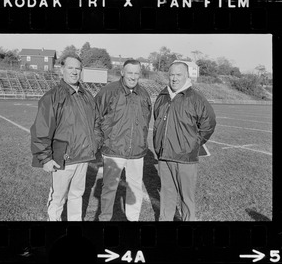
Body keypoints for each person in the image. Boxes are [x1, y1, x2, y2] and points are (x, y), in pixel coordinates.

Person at [30, 53, 100, 221]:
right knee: (58, 198)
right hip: (63, 159)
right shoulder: (52, 96)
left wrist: (95, 144)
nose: (74, 72)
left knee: (77, 196)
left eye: (78, 68)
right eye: (70, 67)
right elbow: (41, 129)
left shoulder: (87, 96)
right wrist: (45, 159)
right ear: (62, 70)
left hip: (83, 158)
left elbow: (96, 124)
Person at [153, 60, 216, 221]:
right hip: (165, 156)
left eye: (178, 75)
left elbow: (209, 123)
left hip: (185, 159)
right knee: (167, 196)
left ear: (187, 76)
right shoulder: (163, 96)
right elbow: (158, 121)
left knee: (186, 199)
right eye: (171, 75)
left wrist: (193, 144)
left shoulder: (196, 98)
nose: (174, 78)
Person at [95, 59, 152, 221]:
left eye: (136, 73)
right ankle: (105, 219)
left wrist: (140, 142)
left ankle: (133, 220)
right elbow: (95, 118)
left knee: (135, 188)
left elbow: (146, 121)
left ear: (140, 74)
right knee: (109, 188)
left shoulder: (144, 94)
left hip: (136, 152)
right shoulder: (108, 91)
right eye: (130, 73)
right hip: (114, 150)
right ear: (122, 72)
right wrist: (102, 142)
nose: (133, 77)